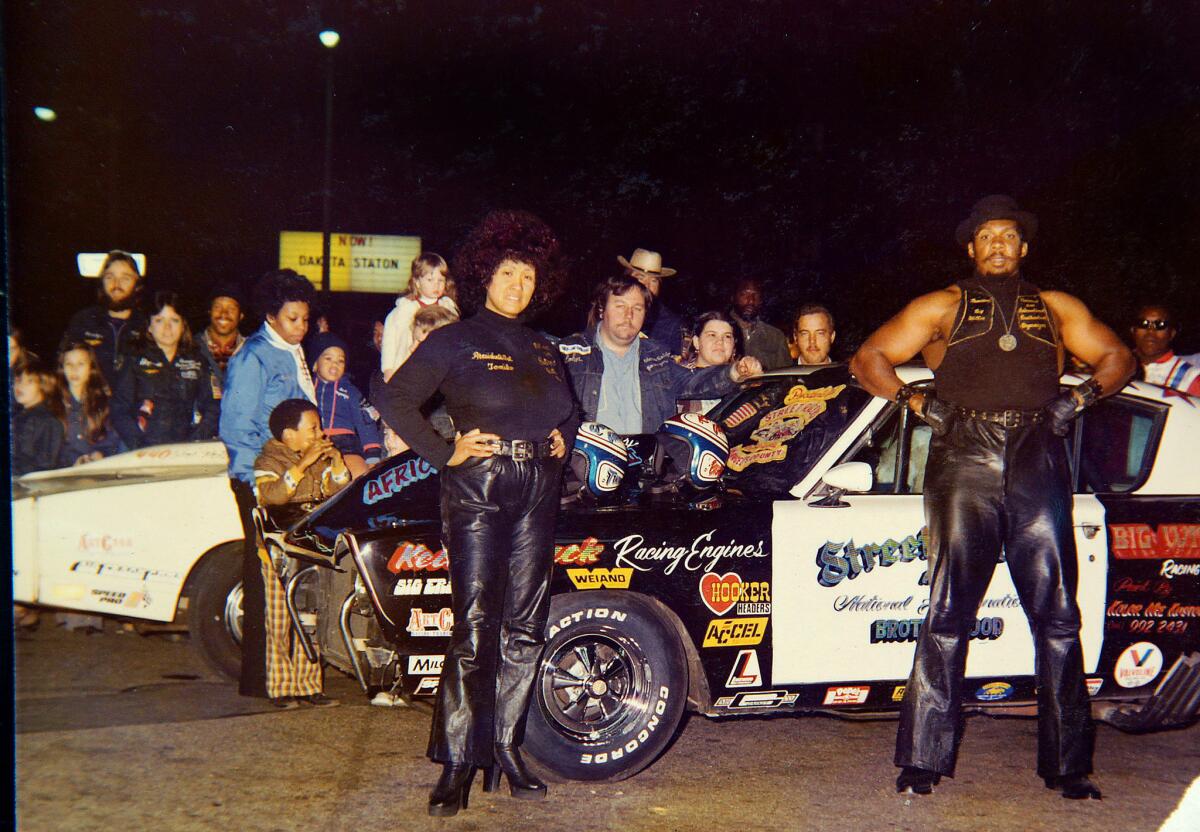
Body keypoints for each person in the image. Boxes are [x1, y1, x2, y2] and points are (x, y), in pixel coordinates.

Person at [850, 194, 1135, 800]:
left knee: (1058, 615)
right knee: (949, 609)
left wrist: (1078, 398)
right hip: (965, 454)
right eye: (987, 237)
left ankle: (1069, 766)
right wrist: (919, 402)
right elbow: (867, 357)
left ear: (1024, 248)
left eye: (1008, 236)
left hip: (1039, 453)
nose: (998, 245)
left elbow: (1118, 356)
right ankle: (923, 760)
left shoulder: (1058, 307)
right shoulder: (941, 305)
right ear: (971, 248)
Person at [375, 209, 576, 817]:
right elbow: (394, 397)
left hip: (538, 486)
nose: (518, 285)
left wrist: (566, 433)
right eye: (508, 272)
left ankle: (508, 748)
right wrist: (444, 451)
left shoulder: (543, 347)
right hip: (478, 486)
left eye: (528, 276)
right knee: (476, 622)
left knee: (524, 622)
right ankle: (460, 760)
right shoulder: (455, 338)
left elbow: (568, 410)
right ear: (486, 275)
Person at [219, 269, 316, 700]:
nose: (301, 327)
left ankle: (295, 678)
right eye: (293, 319)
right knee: (264, 578)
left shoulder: (291, 351)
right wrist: (253, 482)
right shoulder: (252, 356)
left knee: (292, 576)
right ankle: (261, 680)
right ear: (271, 317)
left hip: (299, 478)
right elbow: (237, 426)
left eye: (306, 320)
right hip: (262, 478)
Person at [557, 275, 761, 435]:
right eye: (620, 306)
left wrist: (734, 372)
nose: (629, 315)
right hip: (586, 470)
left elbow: (694, 382)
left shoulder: (658, 357)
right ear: (602, 309)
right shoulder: (569, 352)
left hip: (644, 473)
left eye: (637, 308)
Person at [253, 398, 350, 708]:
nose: (319, 433)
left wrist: (335, 462)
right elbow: (274, 496)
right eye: (312, 428)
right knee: (280, 621)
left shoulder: (319, 458)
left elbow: (339, 492)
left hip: (310, 549)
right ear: (288, 434)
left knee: (309, 615)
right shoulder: (267, 462)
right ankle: (281, 688)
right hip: (278, 554)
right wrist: (303, 463)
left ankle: (309, 685)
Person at [111, 292, 218, 449]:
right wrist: (139, 445)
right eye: (159, 320)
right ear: (149, 326)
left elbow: (213, 408)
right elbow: (119, 410)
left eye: (174, 320)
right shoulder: (134, 360)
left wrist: (194, 441)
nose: (167, 328)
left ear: (183, 325)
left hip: (182, 449)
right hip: (139, 448)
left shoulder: (197, 361)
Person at [61, 250, 148, 388]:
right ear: (102, 282)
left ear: (137, 284)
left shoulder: (147, 325)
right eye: (109, 277)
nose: (116, 284)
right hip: (93, 405)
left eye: (125, 278)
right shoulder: (83, 321)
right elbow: (63, 368)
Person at [308, 332, 382, 478]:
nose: (335, 364)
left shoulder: (350, 391)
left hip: (346, 444)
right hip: (315, 442)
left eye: (340, 361)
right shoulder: (306, 387)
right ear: (315, 364)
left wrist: (372, 455)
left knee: (358, 475)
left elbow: (366, 422)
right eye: (328, 358)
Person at [381, 252, 460, 381]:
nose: (436, 285)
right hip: (407, 370)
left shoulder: (449, 311)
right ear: (417, 282)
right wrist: (388, 369)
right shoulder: (402, 311)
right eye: (430, 280)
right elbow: (389, 342)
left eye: (441, 280)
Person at [53, 343, 123, 466]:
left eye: (81, 364)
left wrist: (101, 454)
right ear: (62, 368)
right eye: (69, 364)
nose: (74, 369)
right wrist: (72, 461)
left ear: (91, 368)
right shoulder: (53, 403)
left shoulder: (103, 402)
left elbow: (112, 441)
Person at [619, 247, 685, 353]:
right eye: (640, 278)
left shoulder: (672, 325)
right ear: (626, 278)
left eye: (653, 281)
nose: (646, 285)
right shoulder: (611, 311)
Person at [1130, 304, 1200, 394]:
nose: (1151, 331)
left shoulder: (1190, 377)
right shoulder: (1116, 364)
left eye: (1160, 325)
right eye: (1143, 324)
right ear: (1133, 330)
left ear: (1171, 334)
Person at [12, 360, 65, 476]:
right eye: (18, 380)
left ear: (43, 385)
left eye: (29, 381)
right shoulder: (18, 416)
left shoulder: (47, 421)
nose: (20, 385)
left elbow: (44, 468)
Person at [196, 284, 247, 400]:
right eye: (218, 307)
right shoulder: (191, 346)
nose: (223, 314)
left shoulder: (251, 350)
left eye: (231, 309)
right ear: (209, 311)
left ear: (241, 315)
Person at [730, 277, 792, 370]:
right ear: (733, 298)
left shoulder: (775, 337)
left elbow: (787, 377)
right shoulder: (718, 332)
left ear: (761, 300)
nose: (750, 300)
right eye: (744, 294)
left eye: (756, 295)